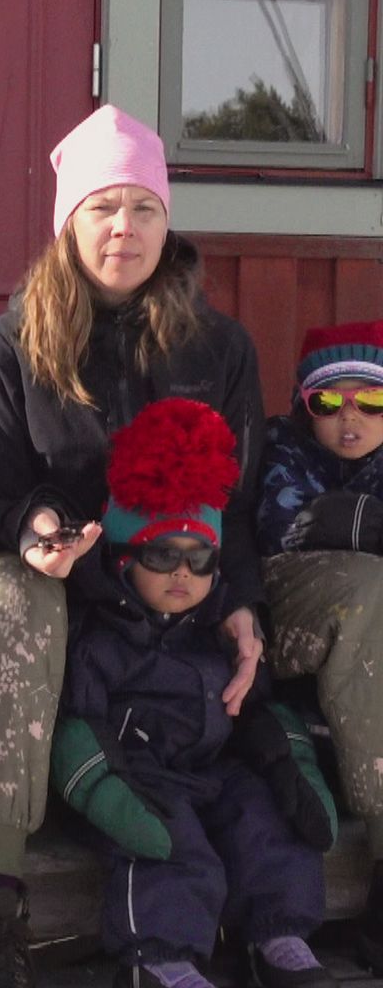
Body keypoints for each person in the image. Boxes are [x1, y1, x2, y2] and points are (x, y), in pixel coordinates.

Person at [0, 104, 267, 987]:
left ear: (168, 220)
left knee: (363, 594)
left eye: (144, 208)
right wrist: (33, 529)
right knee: (9, 596)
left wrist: (241, 601)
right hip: (68, 600)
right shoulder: (8, 349)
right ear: (67, 223)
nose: (124, 227)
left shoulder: (222, 348)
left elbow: (242, 505)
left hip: (185, 599)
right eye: (102, 207)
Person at [53, 397, 337, 988]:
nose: (183, 574)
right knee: (170, 842)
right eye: (162, 555)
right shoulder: (99, 641)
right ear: (127, 560)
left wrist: (291, 762)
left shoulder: (218, 634)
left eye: (199, 558)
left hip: (212, 766)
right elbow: (78, 728)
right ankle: (159, 957)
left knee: (264, 820)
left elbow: (255, 709)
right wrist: (108, 791)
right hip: (140, 778)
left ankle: (278, 935)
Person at [257, 319, 383, 973]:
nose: (351, 420)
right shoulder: (286, 453)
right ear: (306, 407)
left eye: (373, 401)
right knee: (371, 588)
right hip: (301, 620)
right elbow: (287, 525)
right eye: (329, 403)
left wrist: (350, 519)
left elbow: (331, 523)